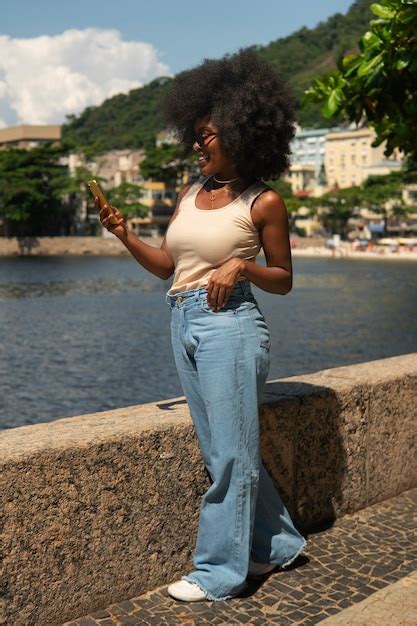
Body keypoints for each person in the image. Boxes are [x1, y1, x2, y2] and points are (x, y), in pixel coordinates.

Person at [98, 48, 307, 603]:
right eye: (193, 134)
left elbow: (283, 278)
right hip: (182, 318)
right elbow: (170, 267)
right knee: (223, 449)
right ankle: (280, 544)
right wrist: (124, 234)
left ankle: (219, 572)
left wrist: (242, 264)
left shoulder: (263, 202)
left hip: (232, 323)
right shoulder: (190, 193)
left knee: (232, 454)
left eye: (205, 134)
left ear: (240, 132)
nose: (196, 144)